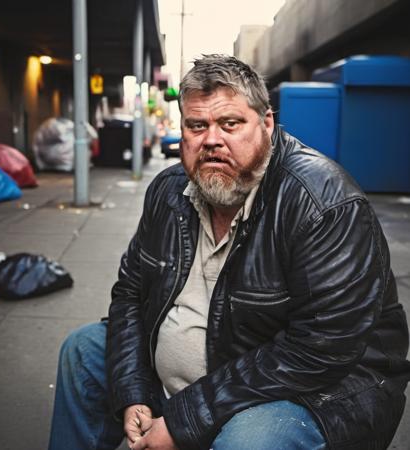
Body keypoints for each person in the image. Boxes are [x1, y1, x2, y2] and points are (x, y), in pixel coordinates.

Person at [48, 55, 410, 450]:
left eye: (230, 124)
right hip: (213, 367)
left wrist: (183, 419)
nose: (212, 140)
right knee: (83, 351)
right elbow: (130, 295)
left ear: (267, 124)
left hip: (313, 388)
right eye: (196, 125)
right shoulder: (168, 191)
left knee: (251, 441)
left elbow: (321, 347)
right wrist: (132, 390)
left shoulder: (323, 204)